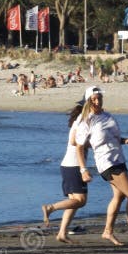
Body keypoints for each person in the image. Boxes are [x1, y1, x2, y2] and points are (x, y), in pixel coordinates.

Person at [75, 85, 128, 246]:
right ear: (88, 101)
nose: (97, 101)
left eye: (99, 97)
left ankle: (108, 231)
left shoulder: (108, 116)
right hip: (107, 163)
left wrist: (124, 140)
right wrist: (83, 170)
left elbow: (111, 137)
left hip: (118, 159)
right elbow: (79, 147)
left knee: (119, 196)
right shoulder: (86, 121)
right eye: (93, 99)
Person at [41, 103, 90, 243]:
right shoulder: (81, 122)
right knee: (80, 201)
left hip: (68, 165)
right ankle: (50, 207)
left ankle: (62, 233)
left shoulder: (79, 122)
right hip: (74, 166)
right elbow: (74, 141)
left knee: (72, 203)